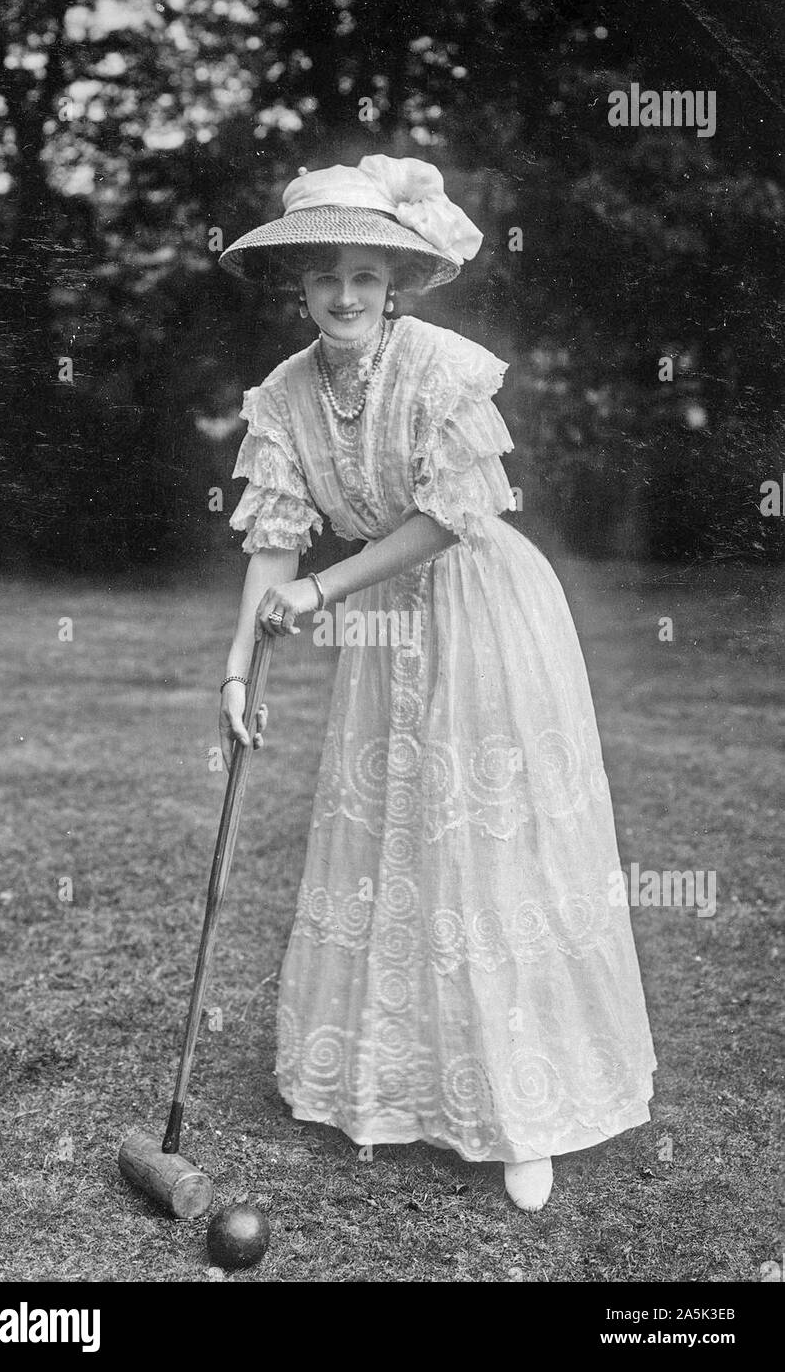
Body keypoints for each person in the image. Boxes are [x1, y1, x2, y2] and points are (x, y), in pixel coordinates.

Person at [217, 155, 657, 1213]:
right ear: (300, 286)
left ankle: (525, 1112)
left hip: (483, 609)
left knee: (489, 841)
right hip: (378, 629)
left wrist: (321, 592)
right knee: (393, 842)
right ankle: (394, 1085)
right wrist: (239, 667)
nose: (344, 297)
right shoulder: (283, 394)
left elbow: (444, 519)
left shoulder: (446, 368)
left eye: (365, 277)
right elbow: (273, 540)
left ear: (395, 285)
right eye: (325, 278)